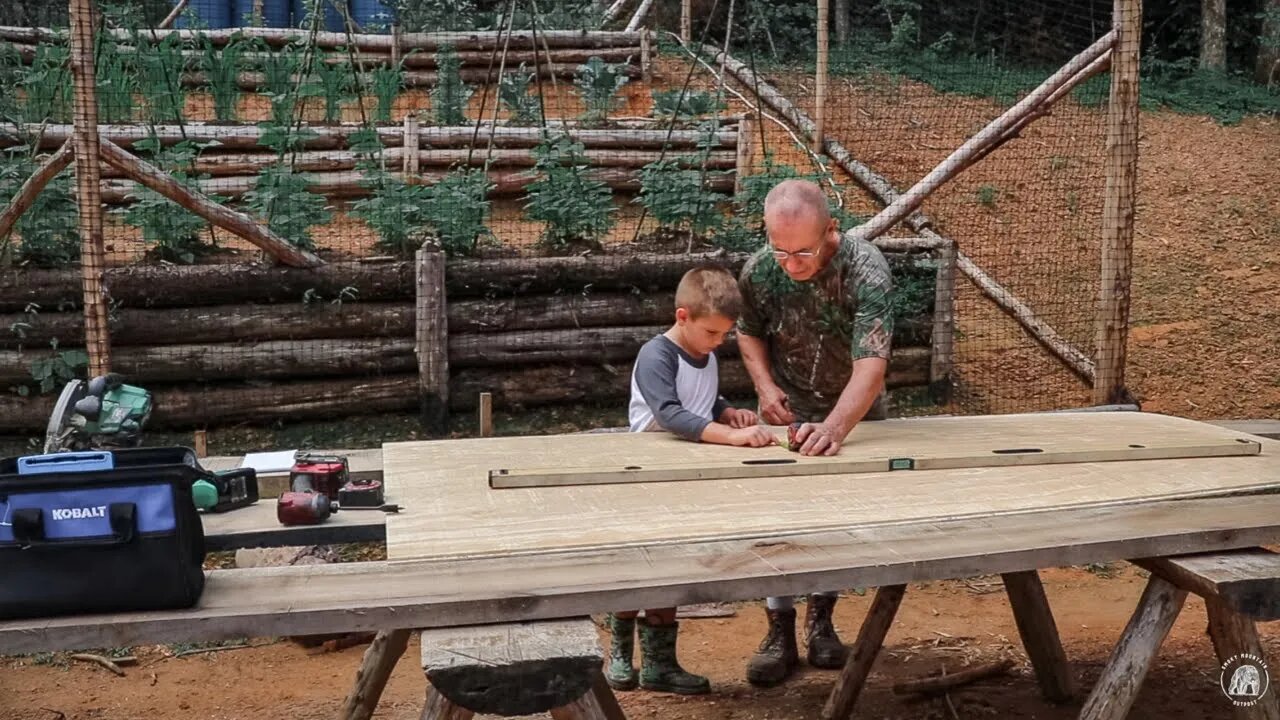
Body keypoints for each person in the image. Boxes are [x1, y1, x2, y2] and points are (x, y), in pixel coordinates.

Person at [735, 178, 895, 686]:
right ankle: (778, 629)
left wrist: (836, 427)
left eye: (801, 251)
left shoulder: (866, 269)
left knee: (837, 519)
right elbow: (748, 330)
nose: (789, 263)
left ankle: (822, 620)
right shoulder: (761, 268)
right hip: (787, 410)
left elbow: (872, 364)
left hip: (854, 410)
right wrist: (763, 387)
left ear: (832, 229)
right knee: (777, 519)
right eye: (779, 250)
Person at [605, 264, 775, 695]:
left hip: (682, 479)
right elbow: (671, 413)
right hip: (646, 476)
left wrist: (726, 411)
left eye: (724, 335)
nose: (719, 342)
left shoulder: (706, 353)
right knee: (635, 567)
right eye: (712, 333)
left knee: (669, 570)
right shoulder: (656, 354)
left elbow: (702, 399)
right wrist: (733, 437)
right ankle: (620, 658)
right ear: (683, 317)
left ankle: (660, 665)